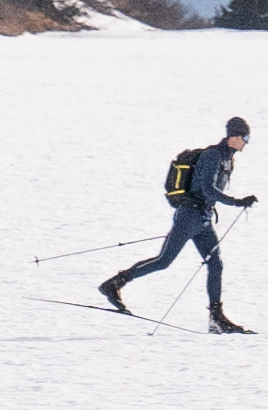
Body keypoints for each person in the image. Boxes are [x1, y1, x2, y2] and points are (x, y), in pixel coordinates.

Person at [102, 117, 258, 332]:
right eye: (245, 137)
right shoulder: (212, 156)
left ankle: (216, 317)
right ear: (234, 136)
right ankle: (114, 284)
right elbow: (208, 189)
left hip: (203, 219)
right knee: (164, 260)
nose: (247, 142)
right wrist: (236, 202)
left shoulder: (228, 159)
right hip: (189, 216)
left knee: (216, 264)